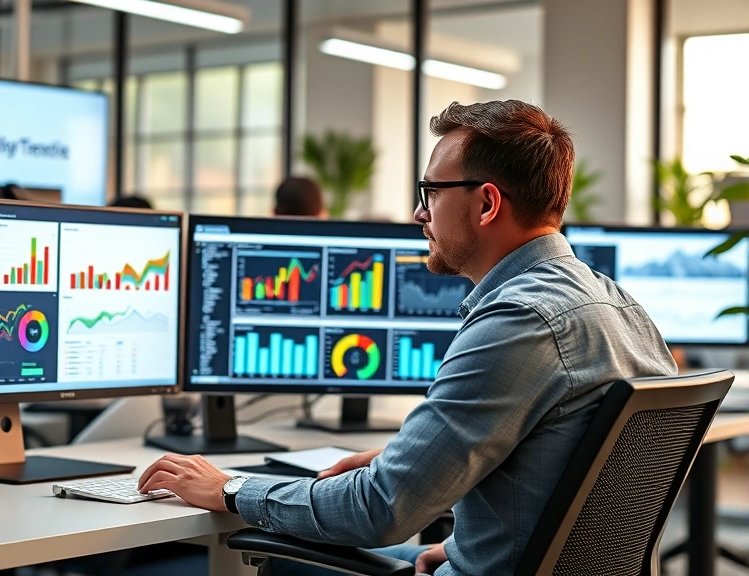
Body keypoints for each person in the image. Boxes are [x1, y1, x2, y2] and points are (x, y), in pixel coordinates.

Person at [137, 100, 678, 575]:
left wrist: (231, 488)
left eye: (431, 191)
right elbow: (580, 476)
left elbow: (381, 510)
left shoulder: (518, 321)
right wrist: (470, 536)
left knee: (275, 551)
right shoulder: (619, 305)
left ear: (487, 204)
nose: (419, 212)